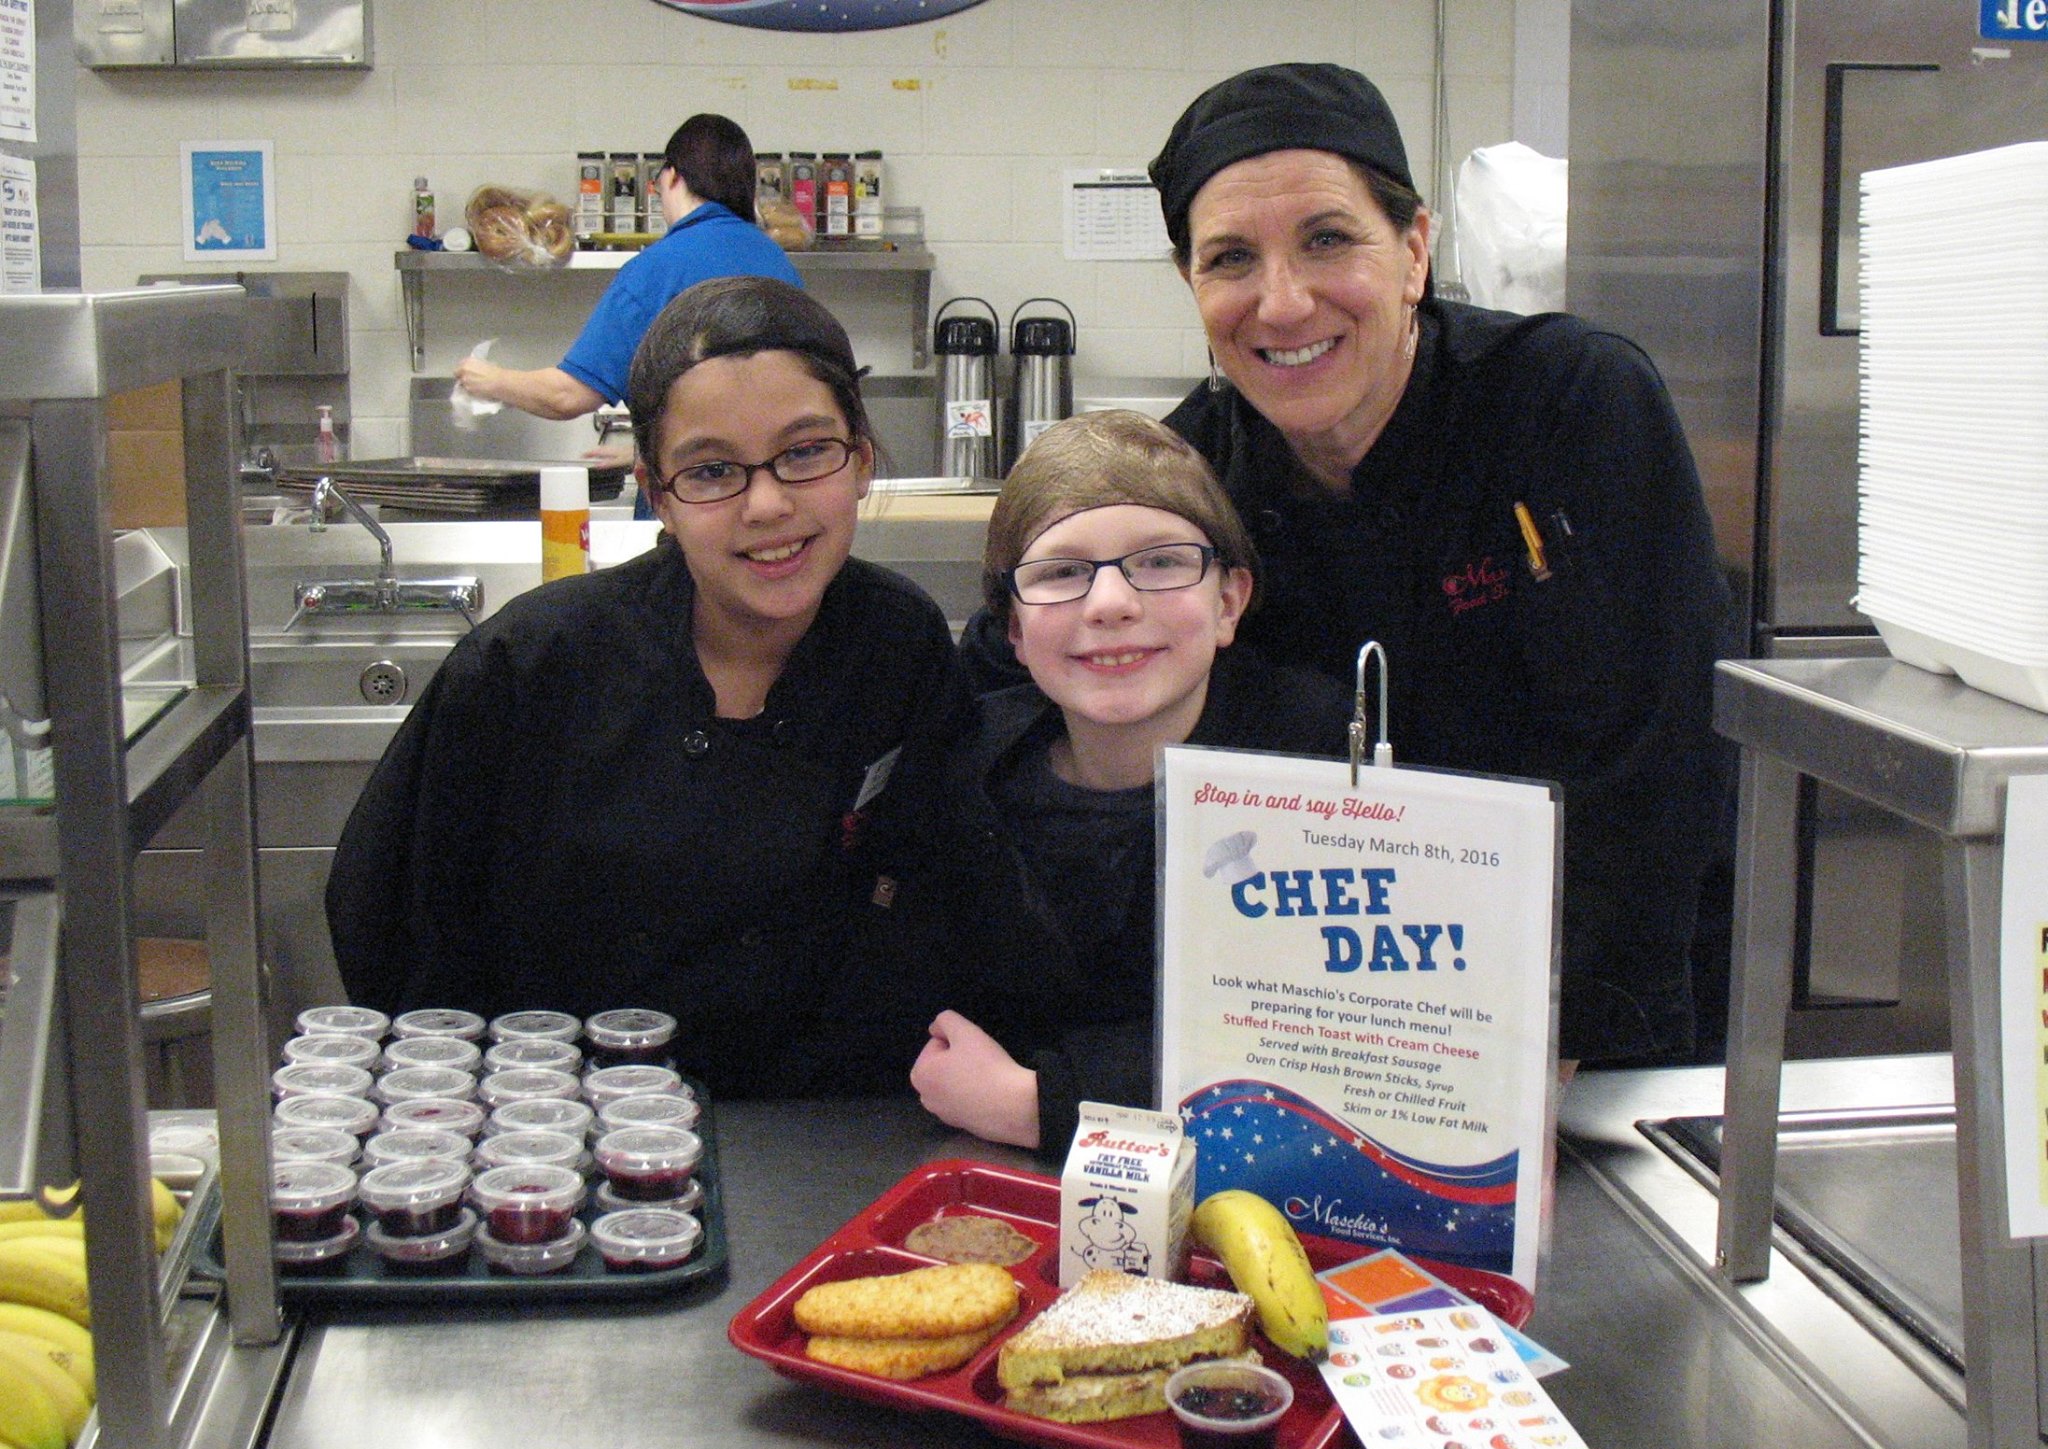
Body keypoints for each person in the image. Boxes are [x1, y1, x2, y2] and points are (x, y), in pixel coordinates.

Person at [960, 63, 1734, 1068]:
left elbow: (1654, 766)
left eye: (1327, 240)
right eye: (1230, 259)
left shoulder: (1566, 405)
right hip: (1350, 1024)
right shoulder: (1198, 472)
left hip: (1591, 1020)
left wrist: (1549, 1046)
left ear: (1413, 250)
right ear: (1191, 286)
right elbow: (1003, 650)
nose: (1280, 304)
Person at [327, 276, 971, 1099]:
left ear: (863, 461)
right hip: (569, 1135)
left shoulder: (898, 644)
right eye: (710, 471)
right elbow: (384, 910)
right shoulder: (531, 666)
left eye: (807, 452)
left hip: (824, 1117)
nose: (768, 504)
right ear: (657, 493)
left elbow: (935, 885)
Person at [910, 410, 1349, 1157]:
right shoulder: (964, 780)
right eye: (1060, 572)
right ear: (1013, 631)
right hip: (988, 1178)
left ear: (1229, 602)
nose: (1110, 602)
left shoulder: (1320, 776)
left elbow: (1328, 1040)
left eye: (1161, 561)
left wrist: (1046, 1103)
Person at [453, 114, 801, 427]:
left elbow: (568, 396)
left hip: (694, 490)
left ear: (673, 177)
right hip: (775, 485)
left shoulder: (658, 269)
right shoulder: (777, 262)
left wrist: (493, 380)